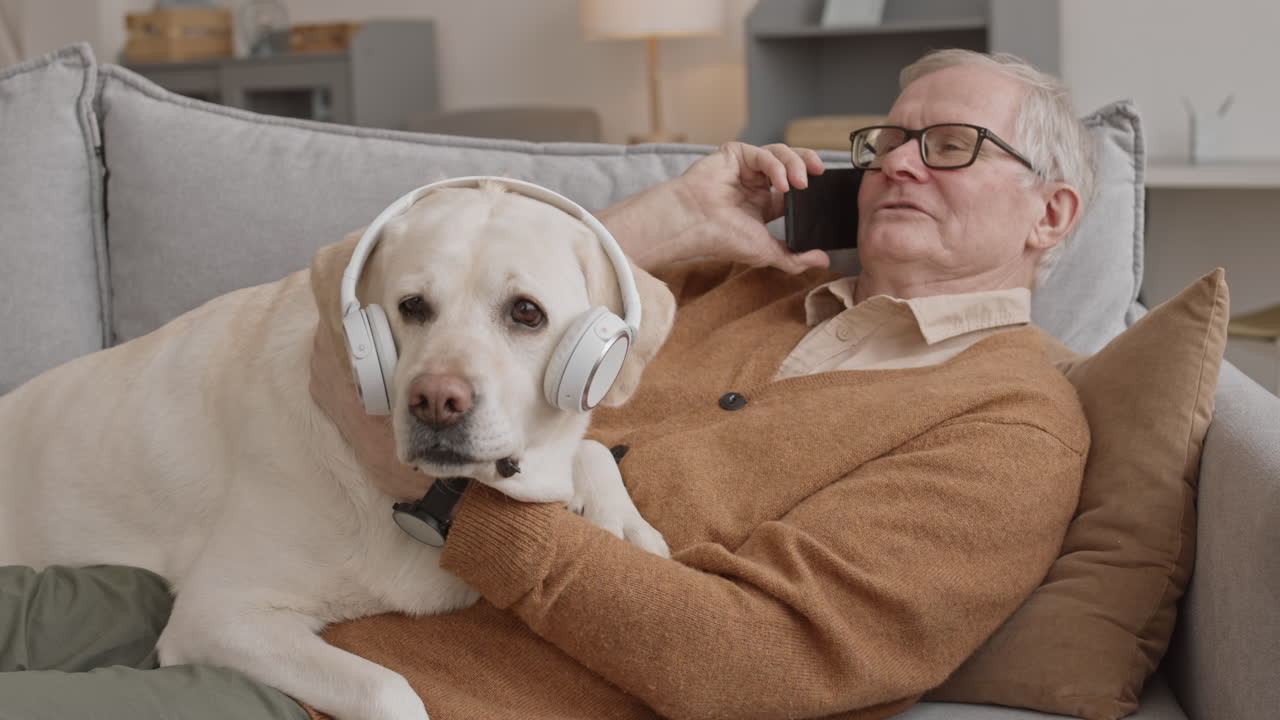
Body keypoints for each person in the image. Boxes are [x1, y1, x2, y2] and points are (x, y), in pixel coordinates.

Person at [0, 48, 1093, 720]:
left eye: (947, 146)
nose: (896, 163)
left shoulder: (1009, 422)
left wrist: (431, 493)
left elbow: (760, 660)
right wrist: (670, 222)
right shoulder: (742, 287)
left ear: (1050, 214)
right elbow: (485, 290)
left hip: (337, 684)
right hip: (230, 575)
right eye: (886, 141)